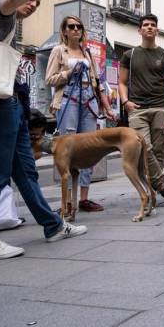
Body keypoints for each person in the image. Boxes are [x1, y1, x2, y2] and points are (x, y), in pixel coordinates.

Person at [0, 0, 87, 260]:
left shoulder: (10, 26)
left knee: (26, 172)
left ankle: (53, 225)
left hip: (14, 106)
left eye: (38, 1)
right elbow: (9, 1)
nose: (33, 4)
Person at [46, 15, 116, 212]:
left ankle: (84, 199)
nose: (76, 29)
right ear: (65, 30)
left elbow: (99, 83)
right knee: (66, 150)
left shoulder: (88, 53)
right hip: (68, 98)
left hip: (89, 100)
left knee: (89, 149)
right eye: (71, 26)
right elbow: (49, 79)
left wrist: (108, 108)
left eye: (79, 26)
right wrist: (69, 73)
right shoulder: (59, 51)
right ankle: (67, 201)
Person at [118, 14, 164, 207]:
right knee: (146, 147)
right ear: (140, 30)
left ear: (157, 30)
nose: (149, 27)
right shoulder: (130, 55)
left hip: (161, 107)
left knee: (160, 150)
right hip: (136, 109)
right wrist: (125, 101)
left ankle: (153, 192)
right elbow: (121, 82)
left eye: (153, 25)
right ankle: (162, 188)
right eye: (146, 25)